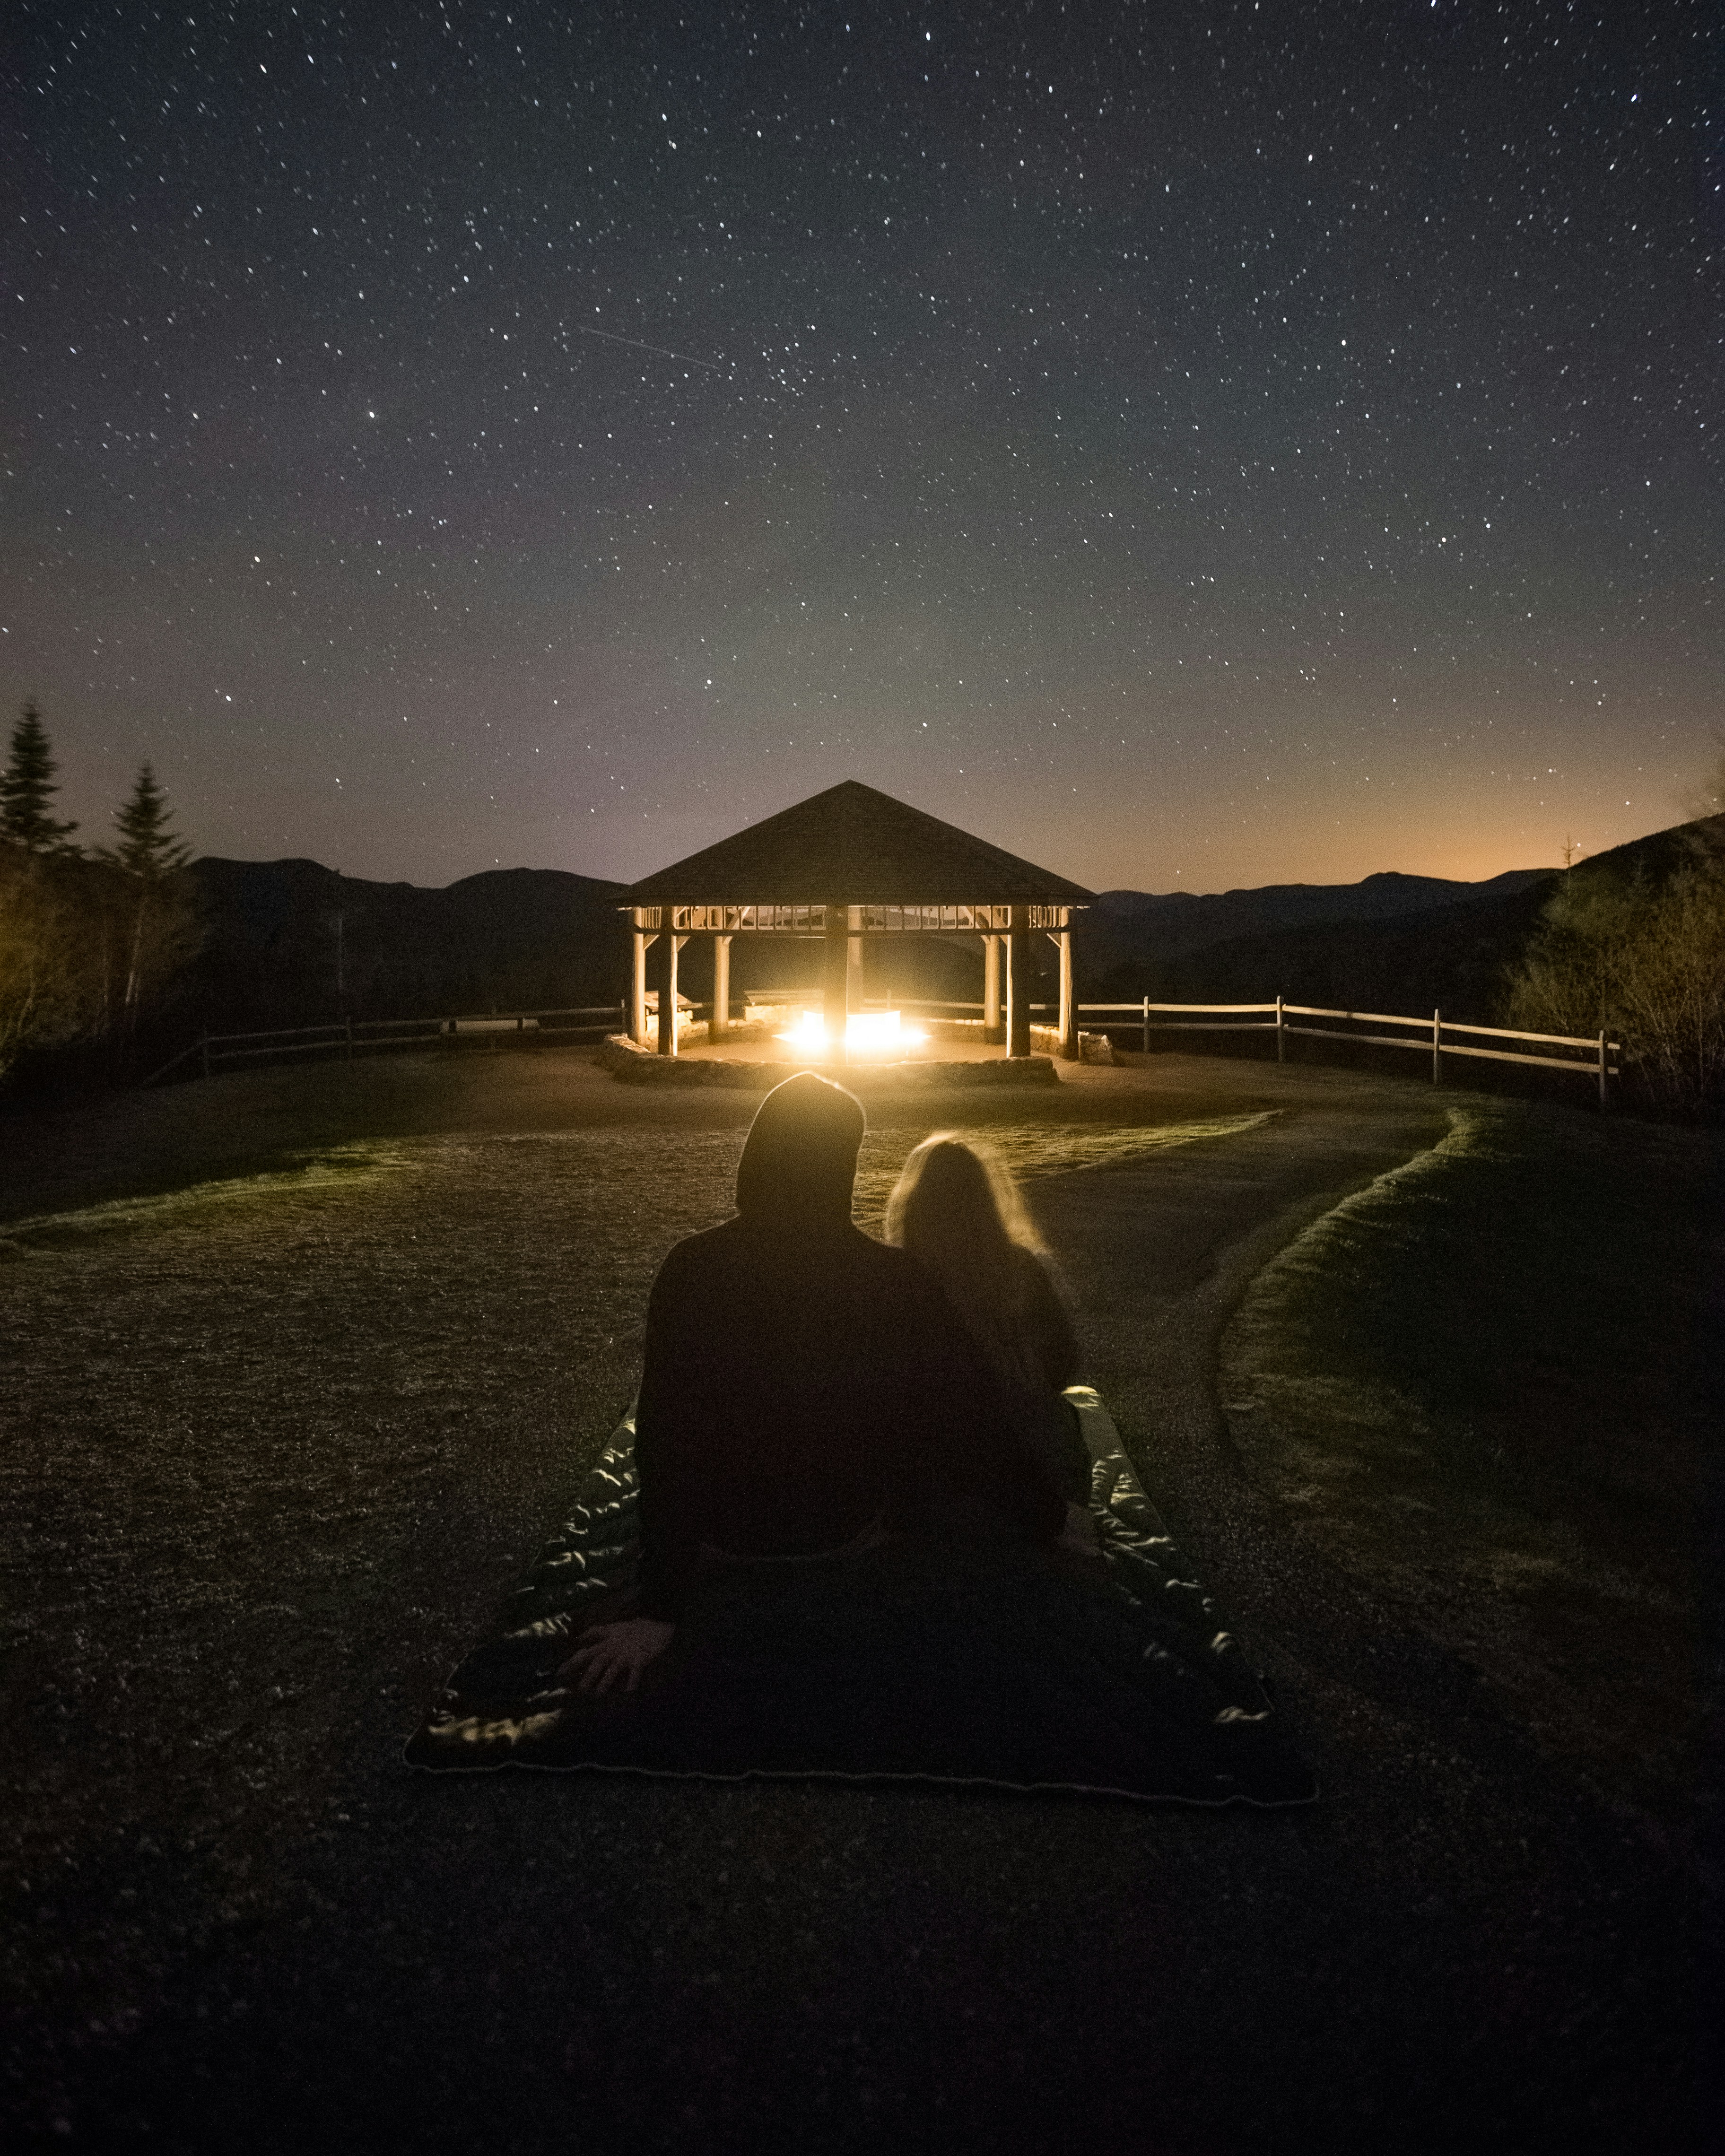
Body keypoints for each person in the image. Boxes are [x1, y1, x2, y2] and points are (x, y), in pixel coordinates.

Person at [559, 1073, 1065, 1697]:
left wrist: (660, 1605)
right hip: (844, 1528)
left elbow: (667, 1438)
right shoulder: (896, 1280)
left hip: (726, 1533)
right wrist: (1042, 1511)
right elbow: (966, 1415)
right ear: (843, 1166)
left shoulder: (692, 1269)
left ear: (758, 1155)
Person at [883, 1135, 1098, 1551]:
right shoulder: (1019, 1269)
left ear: (914, 1203)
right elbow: (1062, 1363)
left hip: (930, 1492)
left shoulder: (897, 1280)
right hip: (1035, 1480)